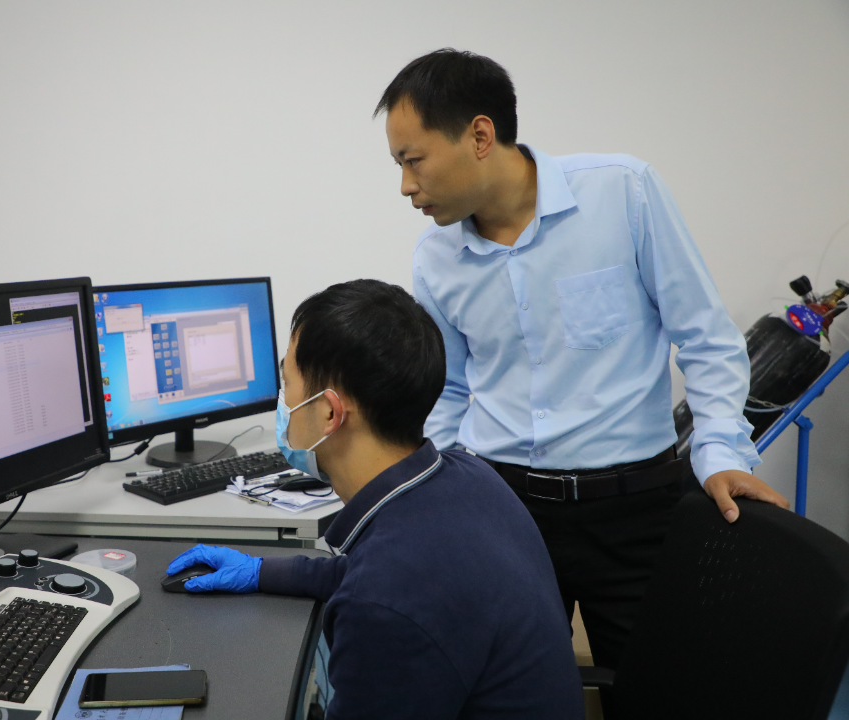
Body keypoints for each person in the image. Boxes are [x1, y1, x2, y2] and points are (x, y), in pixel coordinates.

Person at [374, 48, 790, 671]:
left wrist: (720, 453)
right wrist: (444, 494)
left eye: (413, 160)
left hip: (635, 510)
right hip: (504, 511)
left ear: (480, 136)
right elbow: (448, 390)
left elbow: (706, 337)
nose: (406, 185)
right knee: (508, 693)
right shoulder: (435, 258)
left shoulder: (623, 192)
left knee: (652, 689)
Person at [167, 279, 583, 719]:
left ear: (329, 412)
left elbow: (386, 590)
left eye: (286, 382)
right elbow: (372, 574)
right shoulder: (469, 477)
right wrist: (258, 570)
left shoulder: (386, 603)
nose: (283, 402)